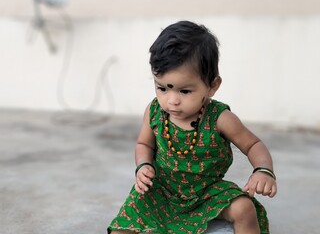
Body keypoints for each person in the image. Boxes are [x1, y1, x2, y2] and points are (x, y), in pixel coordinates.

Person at [107, 20, 277, 234]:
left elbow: (253, 144)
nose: (172, 101)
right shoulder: (154, 112)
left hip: (206, 193)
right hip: (162, 190)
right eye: (162, 88)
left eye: (184, 91)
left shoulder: (219, 118)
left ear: (212, 86)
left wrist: (263, 171)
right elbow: (144, 144)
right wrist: (142, 166)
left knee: (244, 208)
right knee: (122, 226)